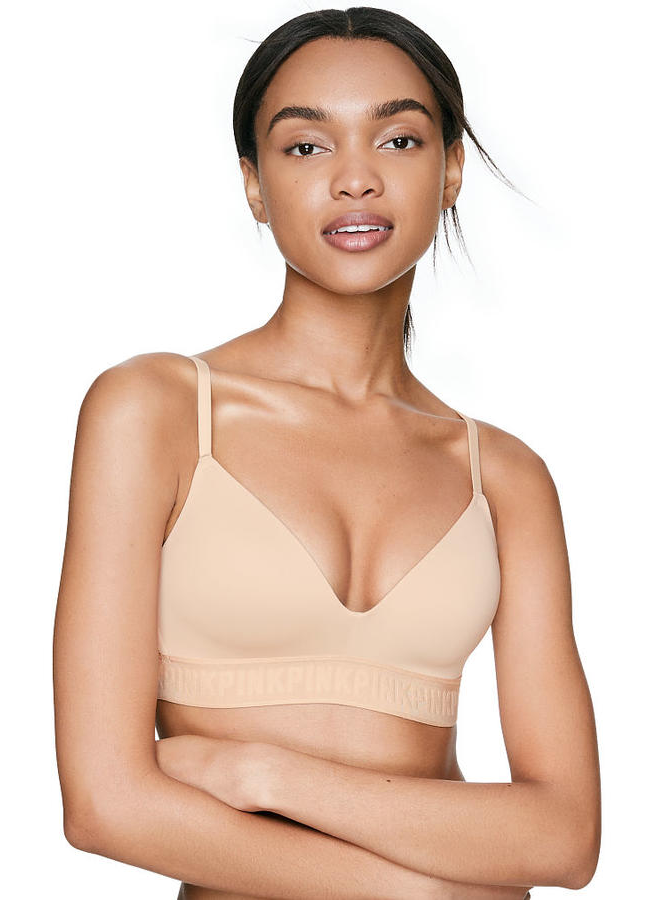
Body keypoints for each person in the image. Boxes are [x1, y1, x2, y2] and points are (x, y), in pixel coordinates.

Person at [53, 7, 601, 899]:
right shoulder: (155, 413)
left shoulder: (503, 478)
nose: (354, 179)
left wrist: (260, 773)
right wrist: (426, 893)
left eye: (398, 139)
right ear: (254, 184)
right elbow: (105, 806)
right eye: (305, 146)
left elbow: (564, 838)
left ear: (450, 171)